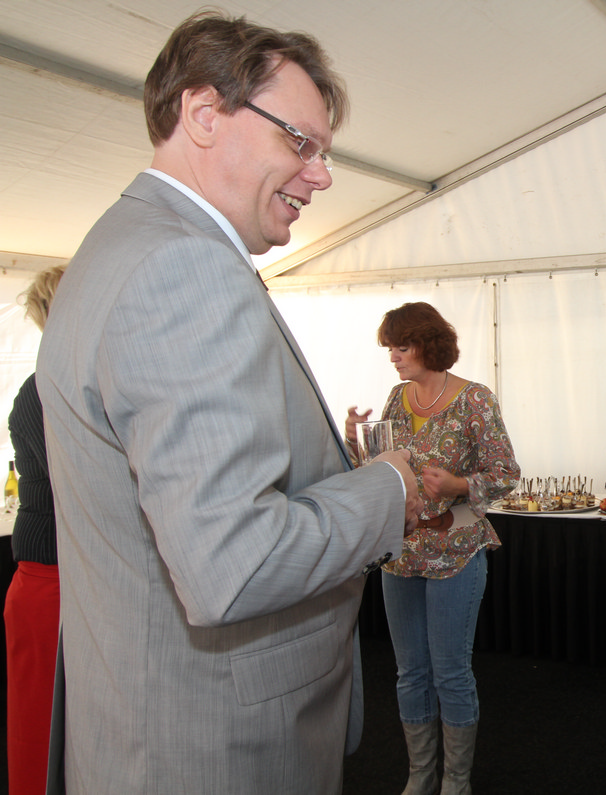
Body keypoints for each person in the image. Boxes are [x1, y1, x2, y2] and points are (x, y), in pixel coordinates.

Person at [35, 12, 422, 795]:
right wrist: (391, 486)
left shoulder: (119, 247)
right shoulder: (184, 267)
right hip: (208, 747)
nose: (321, 175)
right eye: (300, 142)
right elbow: (235, 568)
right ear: (204, 114)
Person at [345, 302, 520, 795]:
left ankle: (456, 782)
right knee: (410, 674)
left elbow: (506, 474)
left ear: (428, 343)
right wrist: (354, 439)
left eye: (401, 347)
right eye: (390, 348)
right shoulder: (396, 398)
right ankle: (420, 775)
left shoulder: (475, 399)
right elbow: (380, 469)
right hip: (400, 554)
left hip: (457, 553)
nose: (393, 357)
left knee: (451, 674)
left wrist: (460, 484)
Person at [5, 264, 66, 795]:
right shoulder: (39, 390)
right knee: (40, 727)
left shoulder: (70, 380)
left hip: (77, 579)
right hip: (48, 582)